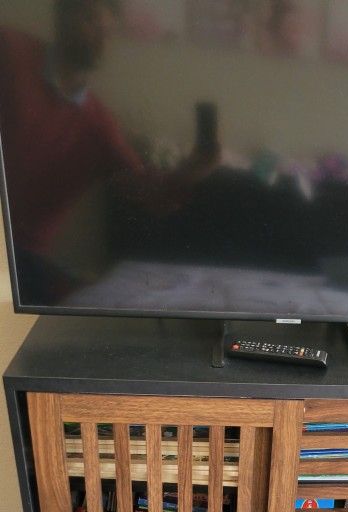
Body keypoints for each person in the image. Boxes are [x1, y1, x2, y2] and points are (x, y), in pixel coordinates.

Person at [0, 0, 217, 304]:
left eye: (108, 29)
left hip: (24, 259)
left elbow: (149, 193)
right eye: (91, 20)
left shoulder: (98, 125)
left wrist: (189, 172)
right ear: (64, 17)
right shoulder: (11, 50)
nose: (101, 36)